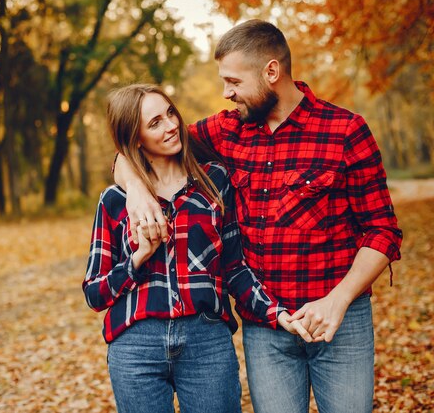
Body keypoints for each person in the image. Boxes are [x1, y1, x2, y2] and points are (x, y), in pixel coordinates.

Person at [114, 21, 403, 413]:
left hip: (340, 320)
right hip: (265, 327)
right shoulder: (227, 130)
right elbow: (140, 147)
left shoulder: (345, 131)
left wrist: (338, 301)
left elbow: (382, 230)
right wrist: (133, 188)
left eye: (233, 81)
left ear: (271, 72)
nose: (226, 92)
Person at [83, 84, 310, 413]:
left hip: (207, 341)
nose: (172, 125)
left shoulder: (214, 181)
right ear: (135, 139)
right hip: (136, 346)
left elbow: (235, 268)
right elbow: (94, 293)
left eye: (170, 113)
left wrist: (276, 312)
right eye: (155, 122)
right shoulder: (116, 201)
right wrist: (138, 257)